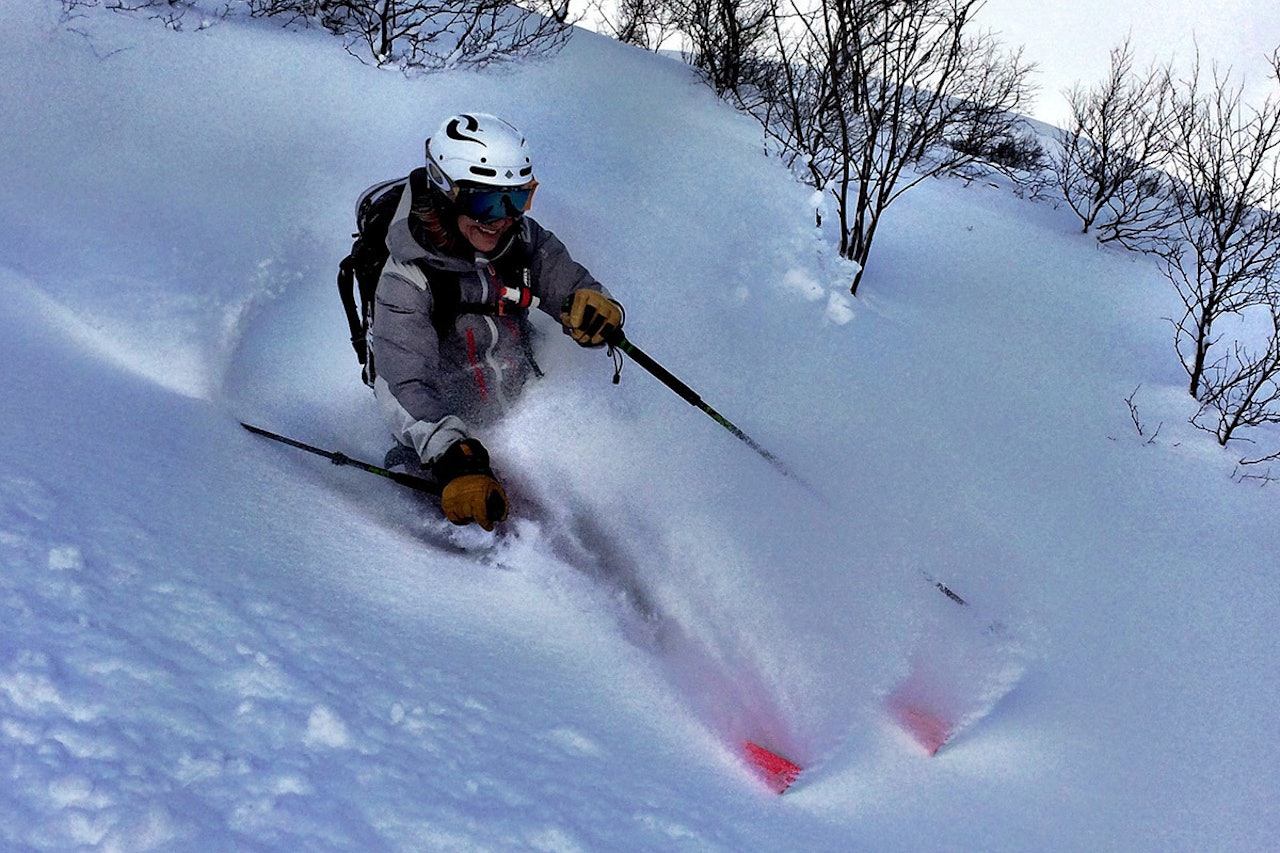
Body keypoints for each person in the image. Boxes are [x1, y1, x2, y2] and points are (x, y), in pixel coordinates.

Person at [368, 112, 623, 532]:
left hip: (519, 394)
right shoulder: (406, 278)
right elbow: (403, 382)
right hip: (448, 432)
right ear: (445, 193)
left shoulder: (521, 238)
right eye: (485, 202)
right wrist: (452, 454)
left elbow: (570, 284)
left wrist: (597, 309)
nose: (501, 218)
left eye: (516, 199)